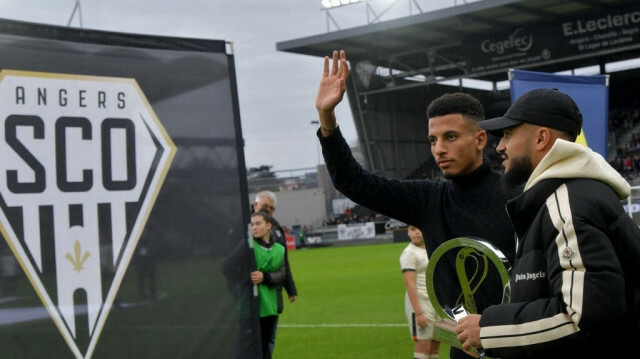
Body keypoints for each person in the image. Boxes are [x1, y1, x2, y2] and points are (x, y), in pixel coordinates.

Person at [315, 50, 521, 359]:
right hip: (463, 350)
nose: (439, 149)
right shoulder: (427, 199)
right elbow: (353, 181)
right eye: (433, 140)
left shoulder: (519, 195)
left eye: (450, 137)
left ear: (480, 140)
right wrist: (327, 119)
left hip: (518, 346)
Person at [456, 88, 640, 358]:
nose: (500, 147)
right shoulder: (569, 196)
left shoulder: (568, 202)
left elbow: (582, 319)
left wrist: (488, 329)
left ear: (541, 138)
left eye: (508, 134)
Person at [252, 191, 298, 355]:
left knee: (268, 341)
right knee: (249, 342)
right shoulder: (244, 227)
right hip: (249, 297)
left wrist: (290, 288)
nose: (268, 210)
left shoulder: (277, 229)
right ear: (255, 205)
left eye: (271, 208)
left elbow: (283, 262)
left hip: (272, 293)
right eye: (265, 206)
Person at [249, 211, 286, 359]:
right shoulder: (247, 247)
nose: (254, 228)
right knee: (251, 347)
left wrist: (265, 277)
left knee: (266, 346)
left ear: (268, 226)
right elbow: (228, 268)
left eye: (258, 224)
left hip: (270, 305)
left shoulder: (279, 249)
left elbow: (283, 273)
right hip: (250, 306)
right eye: (252, 225)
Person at [400, 225, 439, 359]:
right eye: (412, 229)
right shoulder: (409, 253)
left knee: (435, 347)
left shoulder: (431, 248)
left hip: (435, 302)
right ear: (408, 233)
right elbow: (409, 283)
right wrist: (419, 312)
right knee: (423, 349)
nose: (416, 232)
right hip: (421, 303)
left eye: (419, 228)